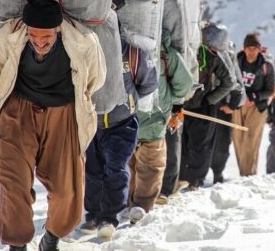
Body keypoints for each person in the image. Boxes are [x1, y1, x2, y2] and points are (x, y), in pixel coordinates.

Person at [0, 0, 106, 251]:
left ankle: (50, 239)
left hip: (62, 116)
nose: (39, 42)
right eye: (34, 35)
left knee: (67, 190)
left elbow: (95, 79)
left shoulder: (84, 42)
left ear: (58, 30)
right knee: (13, 182)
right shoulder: (12, 35)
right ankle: (17, 245)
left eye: (46, 36)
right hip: (18, 112)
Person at [81, 35, 158, 238]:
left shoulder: (132, 52)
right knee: (92, 170)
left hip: (122, 124)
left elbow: (149, 82)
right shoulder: (86, 47)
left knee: (115, 169)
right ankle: (93, 214)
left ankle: (109, 218)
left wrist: (129, 103)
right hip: (92, 123)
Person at [129, 30, 193, 218]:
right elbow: (185, 84)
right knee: (151, 164)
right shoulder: (167, 54)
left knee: (130, 161)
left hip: (126, 116)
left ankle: (130, 202)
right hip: (155, 116)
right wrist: (171, 100)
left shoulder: (126, 49)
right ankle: (141, 205)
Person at [180, 41, 236, 190]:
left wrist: (209, 99)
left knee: (199, 147)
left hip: (201, 109)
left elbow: (229, 81)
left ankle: (194, 182)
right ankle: (181, 181)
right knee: (181, 146)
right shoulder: (179, 49)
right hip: (179, 108)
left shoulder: (209, 55)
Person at [232, 32, 275, 176]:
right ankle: (242, 173)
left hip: (257, 107)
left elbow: (270, 90)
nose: (251, 52)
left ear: (259, 49)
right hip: (239, 105)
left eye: (254, 48)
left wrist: (254, 97)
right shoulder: (237, 61)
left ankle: (248, 175)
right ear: (244, 49)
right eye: (248, 48)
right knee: (238, 139)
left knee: (251, 140)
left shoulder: (266, 66)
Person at [210, 42, 245, 184]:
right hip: (206, 106)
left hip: (220, 109)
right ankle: (196, 176)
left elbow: (236, 84)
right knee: (201, 142)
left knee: (221, 143)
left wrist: (231, 106)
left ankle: (217, 173)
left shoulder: (228, 57)